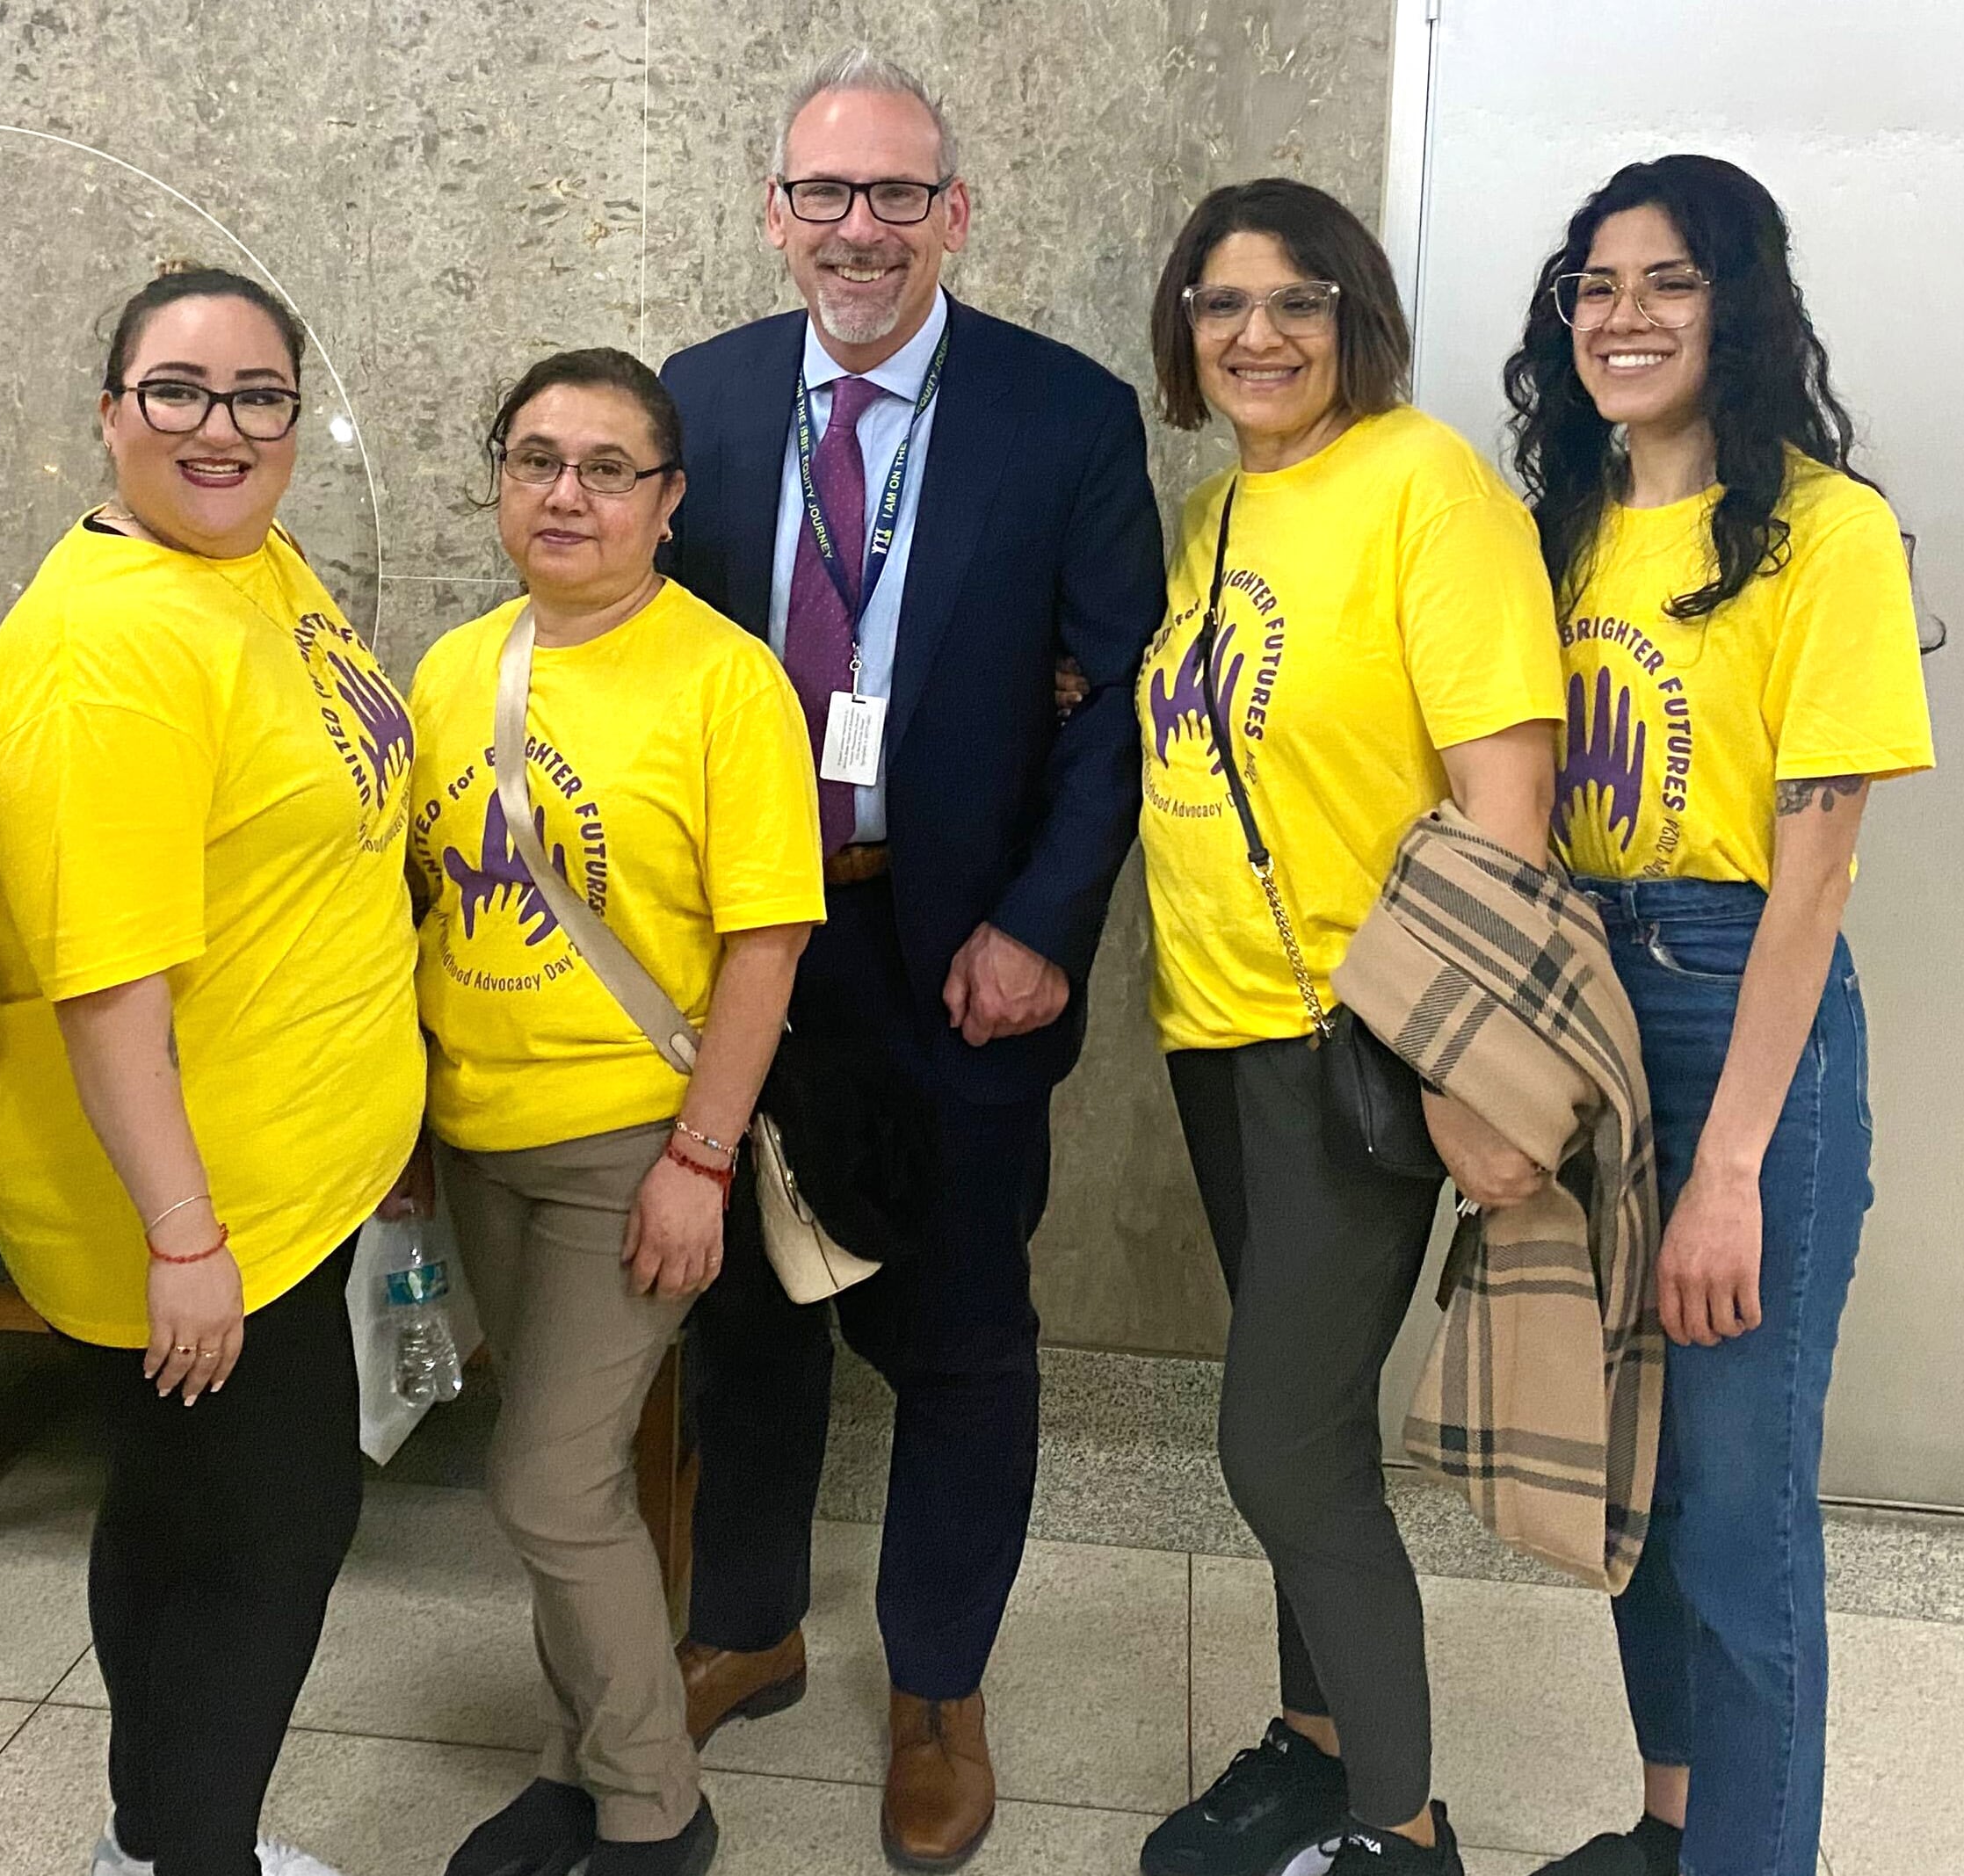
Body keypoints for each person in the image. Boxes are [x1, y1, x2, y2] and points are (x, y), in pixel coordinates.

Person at [656, 47, 1167, 1872]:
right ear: (773, 212)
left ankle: (940, 1678)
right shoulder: (694, 404)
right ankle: (748, 1620)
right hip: (744, 953)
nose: (855, 231)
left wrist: (1043, 923)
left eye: (894, 196)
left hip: (955, 946)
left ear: (956, 214)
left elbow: (1118, 711)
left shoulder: (1067, 417)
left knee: (959, 1331)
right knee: (743, 1310)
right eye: (822, 194)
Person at [0, 266, 422, 1876]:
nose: (222, 430)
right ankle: (193, 1857)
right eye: (178, 393)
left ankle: (157, 1843)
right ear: (108, 414)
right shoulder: (111, 653)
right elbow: (105, 991)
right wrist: (184, 1235)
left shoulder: (255, 568)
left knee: (185, 1517)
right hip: (194, 1200)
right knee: (264, 1542)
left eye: (258, 396)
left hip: (281, 1165)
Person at [1506, 156, 1934, 1876]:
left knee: (1743, 1513)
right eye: (1596, 285)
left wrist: (1732, 1166)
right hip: (1586, 1009)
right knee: (1649, 1486)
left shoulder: (1826, 535)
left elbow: (1815, 874)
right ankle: (1671, 1827)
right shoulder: (1555, 527)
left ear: (1737, 303)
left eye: (1666, 283)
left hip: (1739, 1016)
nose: (1622, 316)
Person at [1132, 179, 1563, 1876]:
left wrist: (1477, 1057)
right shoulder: (1218, 514)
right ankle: (1315, 1750)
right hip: (1221, 1032)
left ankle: (1403, 1827)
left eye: (1294, 302)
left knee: (1281, 1447)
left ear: (1354, 316)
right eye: (1221, 305)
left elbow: (1505, 799)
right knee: (1293, 1425)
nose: (1255, 335)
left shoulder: (1426, 487)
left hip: (1361, 1046)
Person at [415, 350, 825, 1876]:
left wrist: (698, 1160)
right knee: (561, 1473)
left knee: (545, 1481)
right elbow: (421, 910)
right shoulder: (458, 668)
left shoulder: (724, 680)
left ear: (667, 502)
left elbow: (766, 944)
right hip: (476, 1135)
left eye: (606, 468)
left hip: (630, 1147)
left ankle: (655, 1804)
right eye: (536, 461)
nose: (565, 494)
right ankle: (569, 1762)